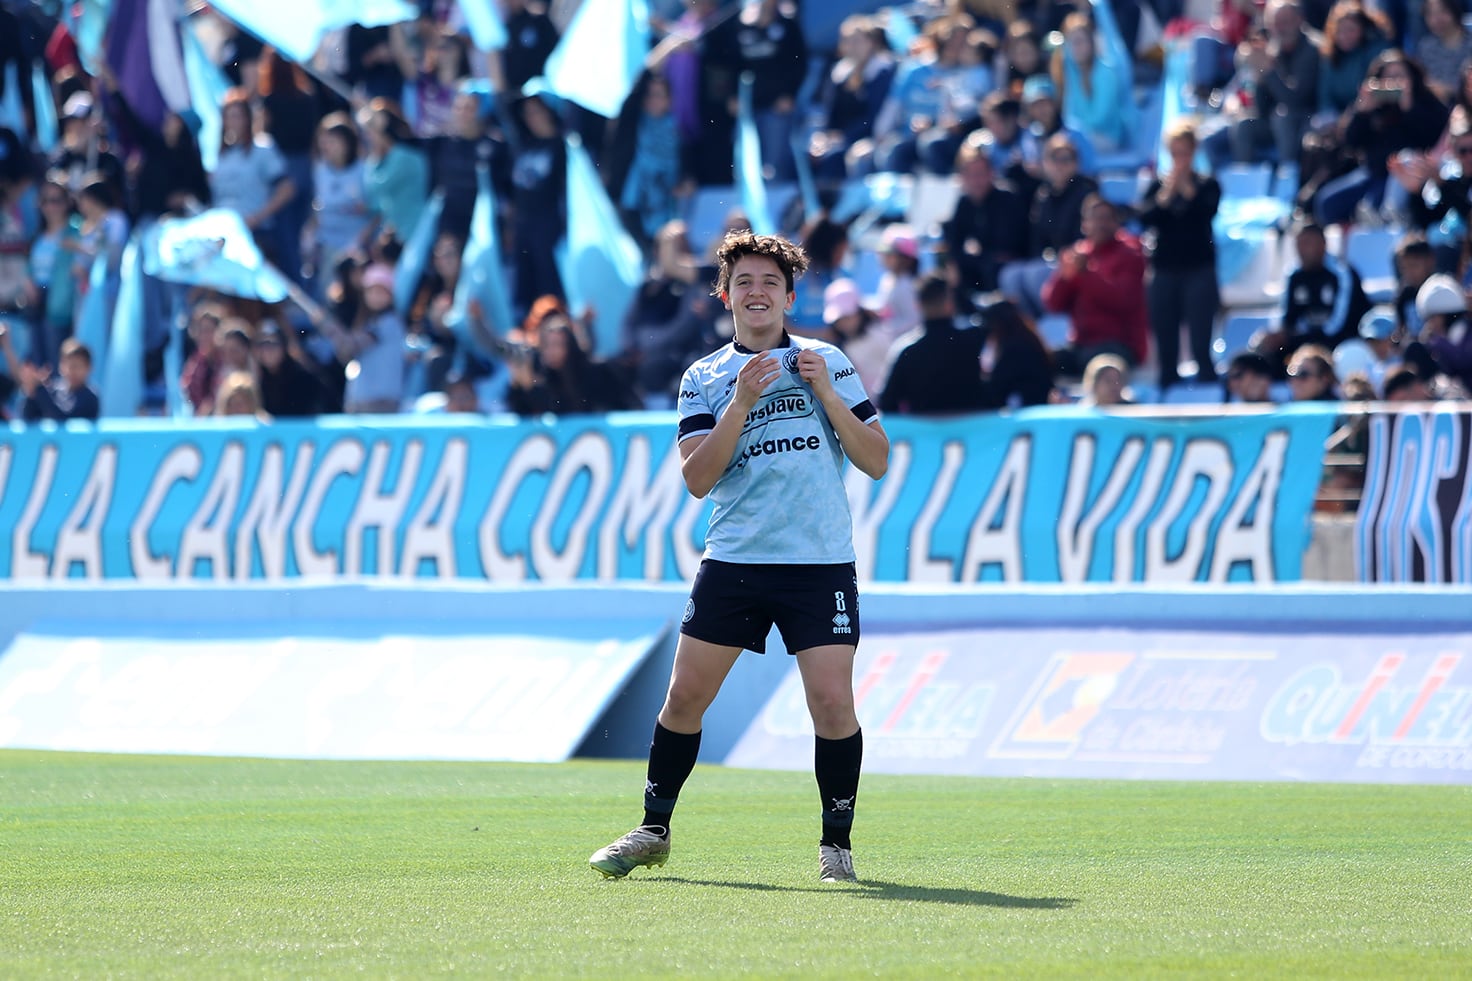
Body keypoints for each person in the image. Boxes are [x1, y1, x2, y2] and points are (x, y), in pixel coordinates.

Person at [589, 230, 890, 884]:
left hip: (819, 563)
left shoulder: (827, 360)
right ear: (726, 295)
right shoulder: (704, 377)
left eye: (770, 283)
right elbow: (698, 479)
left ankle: (836, 844)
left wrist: (829, 398)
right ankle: (653, 828)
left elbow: (876, 459)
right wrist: (743, 403)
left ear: (788, 296)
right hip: (735, 561)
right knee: (685, 697)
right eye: (745, 282)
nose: (758, 292)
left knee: (833, 704)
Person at [1139, 121, 1222, 392]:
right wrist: (1167, 194)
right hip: (1164, 271)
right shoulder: (1158, 186)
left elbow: (1207, 212)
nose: (1180, 160)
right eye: (1174, 153)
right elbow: (1146, 218)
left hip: (1198, 269)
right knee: (1166, 342)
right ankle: (1167, 390)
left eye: (1184, 153)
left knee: (1200, 341)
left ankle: (1208, 390)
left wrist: (1187, 190)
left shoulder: (1207, 184)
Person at [1040, 194, 1149, 375]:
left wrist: (1086, 273)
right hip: (1081, 344)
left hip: (1119, 344)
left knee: (1098, 361)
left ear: (1117, 223)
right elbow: (1053, 303)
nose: (1101, 225)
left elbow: (1123, 300)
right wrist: (1065, 277)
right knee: (1041, 360)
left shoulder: (1130, 253)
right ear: (1084, 224)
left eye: (1107, 219)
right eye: (1095, 219)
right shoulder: (1079, 253)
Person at [878, 272, 988, 414]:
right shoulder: (974, 338)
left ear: (917, 305)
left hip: (922, 435)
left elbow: (887, 404)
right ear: (950, 304)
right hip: (975, 432)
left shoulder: (905, 350)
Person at [1, 328, 99, 421]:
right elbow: (28, 416)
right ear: (60, 366)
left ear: (89, 368)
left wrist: (39, 389)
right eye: (69, 366)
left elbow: (63, 418)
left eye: (77, 367)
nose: (72, 372)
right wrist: (31, 392)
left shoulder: (91, 397)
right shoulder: (54, 390)